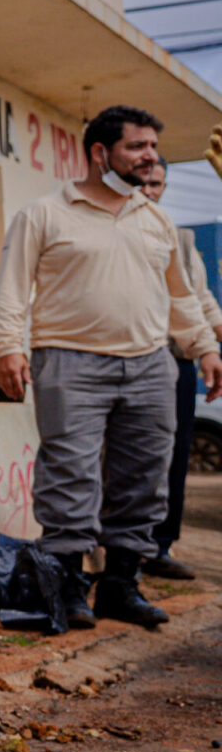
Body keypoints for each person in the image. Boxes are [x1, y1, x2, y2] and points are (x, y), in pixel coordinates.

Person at [0, 106, 221, 629]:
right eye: (137, 147)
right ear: (99, 152)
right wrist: (7, 347)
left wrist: (203, 347)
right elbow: (12, 287)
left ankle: (120, 587)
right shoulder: (44, 214)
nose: (150, 157)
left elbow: (181, 294)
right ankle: (68, 589)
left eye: (152, 147)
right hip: (68, 362)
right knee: (70, 475)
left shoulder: (155, 219)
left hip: (150, 366)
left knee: (144, 479)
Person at [137, 160, 220, 580]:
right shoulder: (114, 232)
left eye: (157, 184)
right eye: (143, 183)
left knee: (174, 456)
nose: (149, 190)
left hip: (177, 362)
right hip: (131, 360)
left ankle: (159, 547)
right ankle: (120, 549)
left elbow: (198, 299)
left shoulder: (181, 239)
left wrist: (211, 344)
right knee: (131, 457)